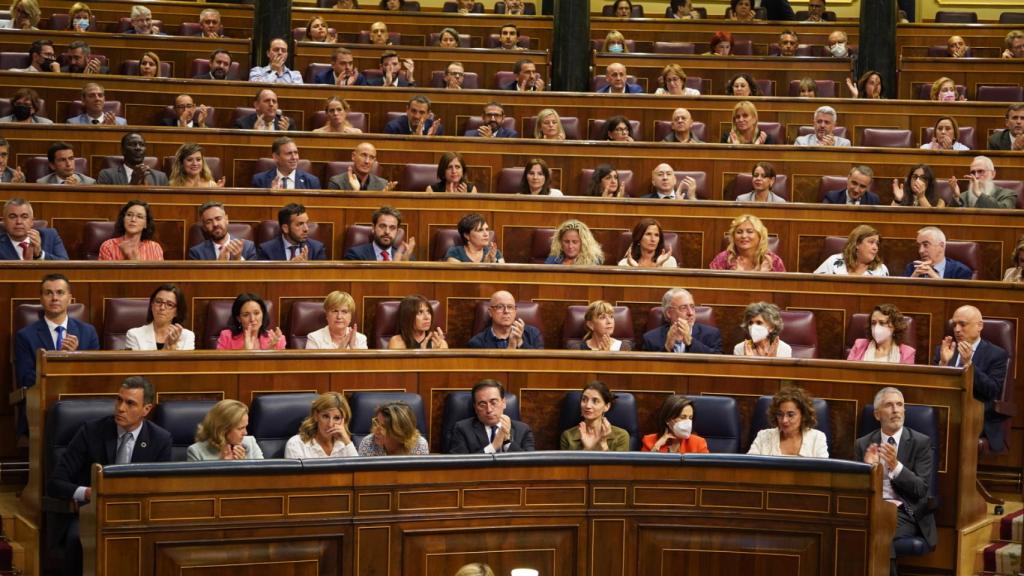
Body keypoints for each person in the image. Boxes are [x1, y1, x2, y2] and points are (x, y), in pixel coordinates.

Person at [47, 377, 171, 576]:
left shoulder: (160, 439)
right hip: (92, 514)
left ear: (146, 409)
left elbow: (161, 490)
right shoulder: (91, 432)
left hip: (137, 516)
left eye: (130, 403)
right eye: (119, 400)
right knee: (78, 540)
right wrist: (88, 493)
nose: (120, 408)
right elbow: (55, 483)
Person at [855, 387, 938, 572]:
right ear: (877, 414)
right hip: (871, 509)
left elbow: (921, 489)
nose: (896, 410)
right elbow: (855, 490)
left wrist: (896, 466)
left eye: (900, 405)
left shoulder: (920, 442)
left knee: (879, 532)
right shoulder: (863, 444)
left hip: (905, 512)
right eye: (889, 405)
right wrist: (870, 470)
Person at [936, 305, 1010, 452]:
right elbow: (933, 388)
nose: (957, 329)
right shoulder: (944, 350)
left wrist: (969, 365)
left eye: (962, 324)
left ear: (979, 326)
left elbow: (992, 390)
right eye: (954, 325)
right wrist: (943, 364)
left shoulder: (996, 354)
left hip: (978, 418)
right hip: (945, 413)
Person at [15, 274, 99, 389]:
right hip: (43, 395)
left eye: (60, 292)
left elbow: (94, 374)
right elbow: (26, 379)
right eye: (48, 293)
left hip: (78, 394)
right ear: (41, 299)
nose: (54, 298)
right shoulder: (25, 336)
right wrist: (59, 360)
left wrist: (73, 357)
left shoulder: (88, 332)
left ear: (69, 299)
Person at [448, 379, 536, 453]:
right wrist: (493, 446)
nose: (489, 410)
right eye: (482, 404)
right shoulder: (462, 429)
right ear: (475, 408)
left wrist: (507, 442)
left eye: (493, 402)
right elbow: (459, 464)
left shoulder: (523, 430)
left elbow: (530, 464)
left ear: (504, 403)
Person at [748, 386, 828, 457]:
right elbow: (749, 466)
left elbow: (823, 468)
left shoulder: (817, 438)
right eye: (780, 414)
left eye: (790, 415)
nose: (784, 420)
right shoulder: (763, 437)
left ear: (803, 415)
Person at [641, 288, 722, 353]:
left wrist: (691, 342)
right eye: (683, 308)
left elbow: (718, 364)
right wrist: (667, 348)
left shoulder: (711, 335)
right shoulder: (650, 339)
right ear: (669, 313)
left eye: (692, 307)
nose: (690, 313)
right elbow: (647, 367)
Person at [560, 382, 629, 451]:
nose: (588, 406)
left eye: (595, 401)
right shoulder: (568, 436)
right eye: (584, 399)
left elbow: (618, 459)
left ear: (606, 406)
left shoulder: (621, 436)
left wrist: (603, 444)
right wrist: (587, 449)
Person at [285, 392, 358, 458]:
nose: (330, 424)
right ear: (316, 416)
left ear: (343, 420)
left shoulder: (345, 444)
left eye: (336, 418)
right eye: (325, 416)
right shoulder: (296, 444)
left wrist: (347, 441)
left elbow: (358, 468)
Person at [125, 284, 196, 350]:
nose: (162, 307)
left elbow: (185, 360)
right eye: (158, 302)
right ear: (152, 305)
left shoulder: (187, 336)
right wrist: (167, 347)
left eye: (169, 304)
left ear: (177, 312)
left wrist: (173, 346)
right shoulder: (134, 335)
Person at [187, 399, 264, 460]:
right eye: (240, 428)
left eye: (245, 427)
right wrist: (222, 466)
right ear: (222, 429)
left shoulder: (251, 443)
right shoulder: (196, 452)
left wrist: (244, 464)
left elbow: (263, 475)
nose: (245, 433)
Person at [709, 214, 786, 272]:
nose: (744, 236)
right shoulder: (723, 259)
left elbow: (783, 287)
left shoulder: (773, 261)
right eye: (739, 232)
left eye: (750, 232)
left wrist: (764, 277)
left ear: (760, 236)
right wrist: (735, 277)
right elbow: (710, 285)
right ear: (733, 237)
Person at [468, 291, 542, 349]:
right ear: (490, 312)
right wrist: (511, 347)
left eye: (510, 307)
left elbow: (540, 362)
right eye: (500, 307)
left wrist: (520, 342)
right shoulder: (476, 343)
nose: (506, 311)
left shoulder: (533, 334)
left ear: (515, 311)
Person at [0, 198, 68, 260]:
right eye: (13, 217)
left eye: (24, 217)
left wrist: (40, 254)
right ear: (4, 221)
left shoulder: (50, 236)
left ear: (32, 221)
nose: (19, 222)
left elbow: (65, 264)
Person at [188, 201, 258, 261]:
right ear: (204, 227)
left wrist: (238, 259)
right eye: (209, 222)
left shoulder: (248, 247)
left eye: (218, 219)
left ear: (226, 219)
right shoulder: (196, 253)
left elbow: (255, 272)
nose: (215, 224)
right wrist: (218, 265)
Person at [257, 203, 327, 261]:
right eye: (300, 224)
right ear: (285, 228)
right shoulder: (266, 250)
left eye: (307, 223)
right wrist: (290, 268)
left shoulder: (317, 249)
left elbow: (321, 274)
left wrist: (306, 268)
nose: (306, 229)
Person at [342, 205, 415, 261]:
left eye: (392, 228)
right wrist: (396, 265)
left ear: (397, 231)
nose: (387, 232)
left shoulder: (406, 258)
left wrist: (404, 265)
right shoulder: (355, 255)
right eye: (382, 226)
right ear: (373, 228)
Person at [98, 200, 164, 261]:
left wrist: (133, 259)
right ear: (123, 219)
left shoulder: (155, 248)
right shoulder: (108, 246)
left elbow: (160, 270)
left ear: (145, 224)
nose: (133, 219)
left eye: (139, 216)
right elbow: (106, 270)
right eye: (129, 215)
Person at [215, 293, 285, 350]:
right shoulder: (226, 337)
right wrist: (244, 351)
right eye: (246, 315)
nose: (252, 319)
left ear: (263, 314)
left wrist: (271, 351)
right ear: (239, 318)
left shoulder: (277, 340)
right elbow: (219, 363)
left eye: (256, 313)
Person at [848, 305, 915, 364]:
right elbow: (848, 371)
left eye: (882, 323)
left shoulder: (908, 352)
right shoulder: (859, 345)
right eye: (873, 323)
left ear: (895, 326)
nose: (876, 327)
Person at [642, 395, 709, 453]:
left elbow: (706, 464)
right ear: (668, 419)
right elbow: (644, 464)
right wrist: (656, 447)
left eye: (690, 418)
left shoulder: (699, 443)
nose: (688, 422)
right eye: (683, 417)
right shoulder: (649, 441)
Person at [815, 225, 889, 276]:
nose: (875, 248)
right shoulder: (833, 262)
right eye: (871, 242)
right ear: (857, 244)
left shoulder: (881, 270)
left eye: (877, 244)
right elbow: (814, 285)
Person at [358, 401, 430, 455]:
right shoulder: (368, 443)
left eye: (384, 427)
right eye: (376, 422)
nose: (376, 430)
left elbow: (420, 471)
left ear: (400, 431)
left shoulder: (419, 445)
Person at [947, 156, 1017, 209]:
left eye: (980, 171)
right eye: (973, 172)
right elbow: (949, 218)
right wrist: (956, 197)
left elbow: (1005, 213)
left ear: (993, 174)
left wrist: (979, 194)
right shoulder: (963, 196)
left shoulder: (1007, 194)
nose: (976, 176)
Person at [902, 226, 973, 279]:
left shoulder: (960, 271)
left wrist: (934, 277)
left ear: (941, 246)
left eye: (926, 245)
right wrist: (912, 279)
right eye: (918, 246)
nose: (921, 251)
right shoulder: (912, 268)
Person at [97, 132, 168, 185]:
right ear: (122, 150)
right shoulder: (107, 175)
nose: (138, 148)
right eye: (132, 144)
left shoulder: (161, 177)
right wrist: (133, 183)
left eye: (142, 145)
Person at [252, 137, 321, 190]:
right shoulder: (260, 180)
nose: (294, 157)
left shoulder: (312, 181)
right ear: (276, 157)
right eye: (289, 153)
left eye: (296, 153)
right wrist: (271, 196)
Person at [329, 143, 396, 191]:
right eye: (363, 155)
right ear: (353, 156)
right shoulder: (337, 182)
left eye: (371, 157)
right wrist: (355, 192)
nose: (367, 161)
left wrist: (382, 198)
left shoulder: (383, 185)